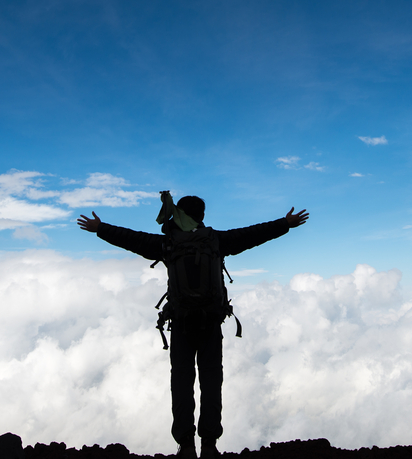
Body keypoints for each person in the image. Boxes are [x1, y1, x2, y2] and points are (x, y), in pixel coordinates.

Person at [77, 193, 309, 459]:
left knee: (182, 382)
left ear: (179, 214)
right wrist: (284, 224)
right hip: (211, 324)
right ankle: (209, 443)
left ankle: (186, 444)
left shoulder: (167, 244)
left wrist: (101, 229)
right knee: (212, 382)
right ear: (202, 216)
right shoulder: (216, 241)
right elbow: (252, 234)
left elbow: (133, 239)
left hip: (182, 324)